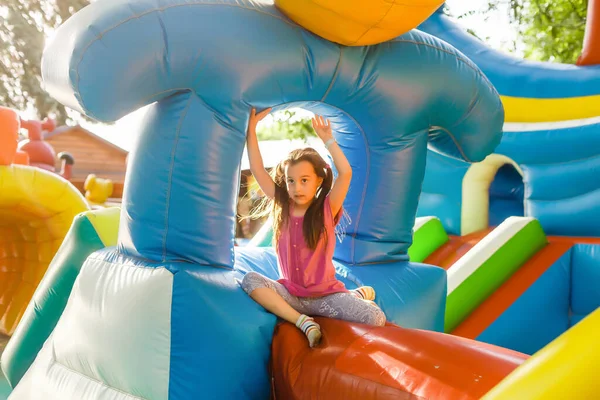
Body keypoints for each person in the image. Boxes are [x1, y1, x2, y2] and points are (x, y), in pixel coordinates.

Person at [240, 107, 386, 348]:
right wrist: (252, 130)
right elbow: (257, 168)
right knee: (250, 280)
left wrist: (328, 140)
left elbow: (346, 173)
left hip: (325, 297)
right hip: (291, 298)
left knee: (375, 317)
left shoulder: (326, 210)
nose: (297, 187)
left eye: (304, 180)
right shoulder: (283, 207)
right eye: (291, 181)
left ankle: (352, 295)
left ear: (318, 181)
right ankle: (302, 322)